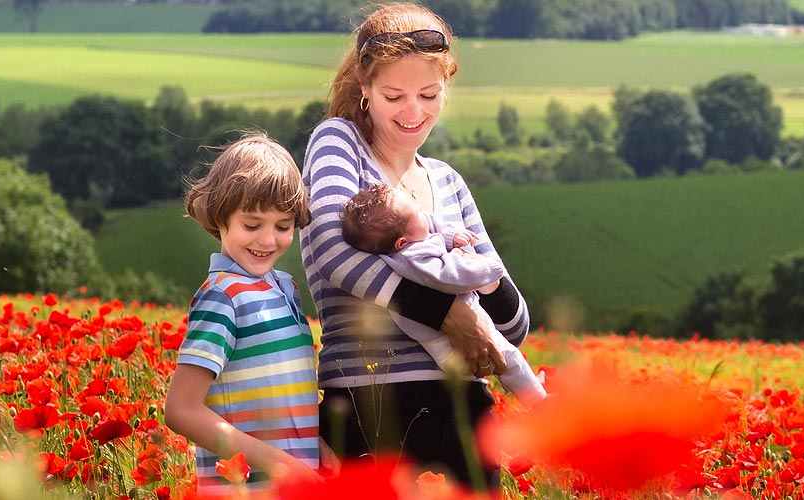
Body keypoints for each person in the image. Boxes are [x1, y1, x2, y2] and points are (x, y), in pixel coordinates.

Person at [300, 2, 531, 490]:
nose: (413, 112)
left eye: (428, 94)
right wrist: (453, 310)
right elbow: (332, 253)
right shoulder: (339, 143)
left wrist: (483, 286)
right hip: (370, 404)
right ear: (364, 90)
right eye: (394, 95)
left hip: (466, 413)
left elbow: (515, 325)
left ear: (447, 87)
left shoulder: (448, 181)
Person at [163, 133, 331, 495]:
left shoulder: (284, 288)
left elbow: (285, 395)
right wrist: (279, 463)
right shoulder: (222, 296)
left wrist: (315, 450)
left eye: (283, 226)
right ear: (220, 217)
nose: (268, 240)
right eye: (252, 225)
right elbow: (181, 410)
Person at [340, 184, 546, 401]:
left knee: (507, 362)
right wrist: (488, 268)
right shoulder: (415, 258)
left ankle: (528, 386)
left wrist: (450, 237)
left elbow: (432, 233)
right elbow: (452, 277)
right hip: (450, 349)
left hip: (452, 345)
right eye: (417, 213)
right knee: (508, 358)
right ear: (402, 242)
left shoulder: (406, 246)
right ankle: (538, 400)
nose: (423, 213)